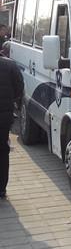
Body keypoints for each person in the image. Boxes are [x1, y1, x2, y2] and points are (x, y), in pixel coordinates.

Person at [0, 54, 24, 199]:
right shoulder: (10, 65)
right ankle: (1, 189)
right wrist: (10, 100)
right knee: (2, 150)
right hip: (4, 115)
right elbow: (19, 88)